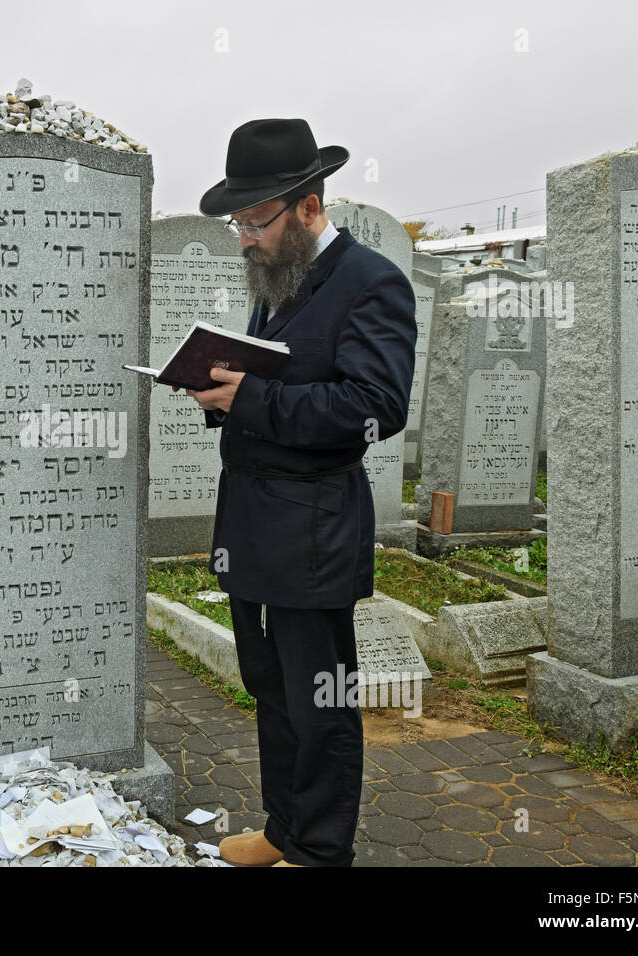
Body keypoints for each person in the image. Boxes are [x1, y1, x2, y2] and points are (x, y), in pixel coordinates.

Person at [180, 118, 416, 866]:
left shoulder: (372, 282)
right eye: (237, 223)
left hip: (313, 531)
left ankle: (319, 852)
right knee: (272, 689)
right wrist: (220, 389)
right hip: (253, 523)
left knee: (321, 704)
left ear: (310, 208)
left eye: (257, 220)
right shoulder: (278, 277)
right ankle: (284, 831)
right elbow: (279, 378)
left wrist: (247, 400)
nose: (245, 237)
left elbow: (373, 406)